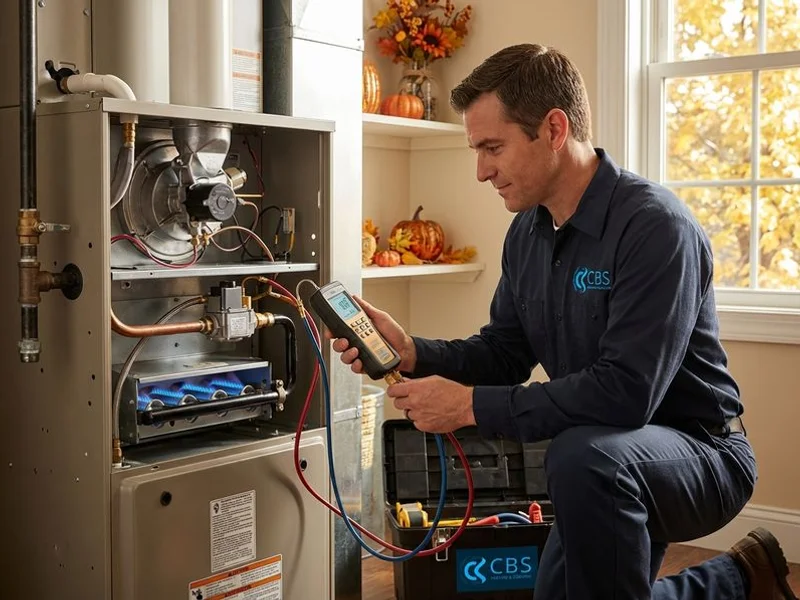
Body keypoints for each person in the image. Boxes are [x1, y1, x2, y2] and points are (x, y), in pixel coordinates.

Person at [330, 44, 797, 599]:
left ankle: (737, 577)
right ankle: (740, 578)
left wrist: (468, 406)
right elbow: (504, 352)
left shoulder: (656, 228)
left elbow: (626, 395)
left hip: (700, 454)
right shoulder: (527, 234)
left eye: (492, 148)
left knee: (578, 456)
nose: (481, 171)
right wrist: (412, 351)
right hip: (600, 456)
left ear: (553, 129)